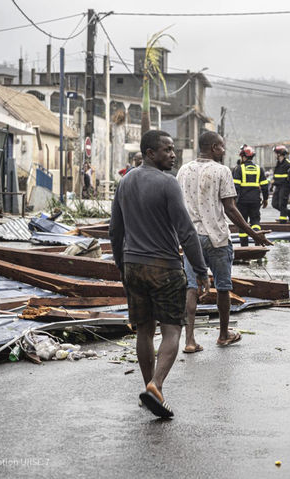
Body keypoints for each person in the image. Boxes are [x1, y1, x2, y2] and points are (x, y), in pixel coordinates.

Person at [110, 130, 210, 418]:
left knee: (144, 329)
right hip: (164, 267)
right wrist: (201, 270)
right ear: (150, 153)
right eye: (167, 150)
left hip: (133, 266)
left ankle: (150, 389)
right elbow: (186, 231)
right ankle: (156, 385)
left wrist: (121, 264)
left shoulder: (125, 181)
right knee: (171, 329)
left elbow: (115, 229)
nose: (173, 154)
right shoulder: (168, 184)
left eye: (173, 149)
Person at [178, 131, 273, 354]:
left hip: (191, 238)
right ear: (213, 148)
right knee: (223, 286)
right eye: (221, 146)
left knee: (191, 286)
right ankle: (223, 335)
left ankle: (190, 341)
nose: (223, 150)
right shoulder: (222, 171)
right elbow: (230, 209)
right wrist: (253, 234)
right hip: (217, 238)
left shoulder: (183, 170)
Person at [232, 145, 269, 247]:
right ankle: (258, 243)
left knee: (243, 223)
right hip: (255, 201)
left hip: (242, 201)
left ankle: (245, 247)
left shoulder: (239, 169)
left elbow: (235, 187)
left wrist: (233, 201)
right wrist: (265, 199)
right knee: (255, 221)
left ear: (243, 157)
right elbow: (265, 186)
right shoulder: (259, 169)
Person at [270, 145, 290, 223]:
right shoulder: (278, 164)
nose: (275, 155)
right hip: (278, 187)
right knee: (274, 204)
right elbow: (275, 176)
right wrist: (272, 185)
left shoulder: (288, 164)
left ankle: (283, 221)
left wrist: (275, 182)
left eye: (276, 153)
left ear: (279, 154)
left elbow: (286, 179)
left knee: (282, 204)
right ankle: (289, 212)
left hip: (285, 187)